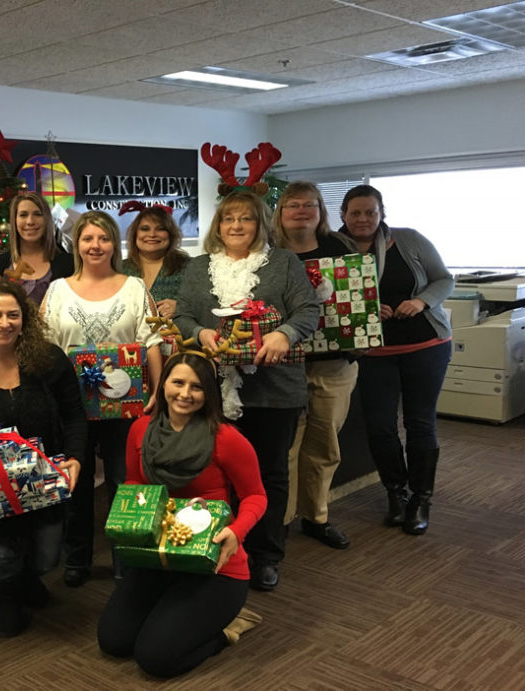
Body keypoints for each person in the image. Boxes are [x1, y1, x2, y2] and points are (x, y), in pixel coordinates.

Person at [174, 191, 319, 592]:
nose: (236, 226)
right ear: (218, 226)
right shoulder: (198, 267)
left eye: (246, 219)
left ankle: (265, 555)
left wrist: (284, 335)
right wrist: (199, 331)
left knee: (269, 475)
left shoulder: (284, 264)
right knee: (214, 472)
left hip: (273, 389)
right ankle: (216, 545)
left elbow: (309, 311)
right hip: (212, 389)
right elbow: (183, 314)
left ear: (260, 224)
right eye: (228, 219)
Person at [97, 353, 267, 678]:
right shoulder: (141, 430)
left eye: (197, 387)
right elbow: (134, 482)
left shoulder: (226, 439)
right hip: (159, 556)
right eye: (178, 383)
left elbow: (256, 496)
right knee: (113, 641)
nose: (185, 394)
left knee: (155, 659)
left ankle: (226, 630)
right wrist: (132, 512)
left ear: (209, 394)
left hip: (215, 564)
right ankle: (175, 612)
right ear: (163, 386)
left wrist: (237, 531)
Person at [0, 279, 84, 636]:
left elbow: (74, 417)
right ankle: (6, 595)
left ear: (25, 319)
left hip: (45, 475)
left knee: (47, 556)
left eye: (12, 314)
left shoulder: (50, 360)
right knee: (4, 554)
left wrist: (76, 459)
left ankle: (25, 578)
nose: (4, 323)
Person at [41, 210, 163, 588]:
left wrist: (158, 390)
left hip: (126, 403)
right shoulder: (57, 289)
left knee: (124, 482)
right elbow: (45, 347)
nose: (95, 246)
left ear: (115, 243)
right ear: (76, 245)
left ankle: (125, 555)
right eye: (87, 239)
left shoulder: (134, 287)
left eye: (103, 238)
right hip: (71, 404)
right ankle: (77, 558)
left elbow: (152, 341)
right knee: (75, 481)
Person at [339, 184, 453, 535]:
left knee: (420, 423)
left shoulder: (409, 240)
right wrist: (366, 308)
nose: (362, 219)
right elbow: (329, 297)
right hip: (372, 352)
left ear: (381, 213)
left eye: (370, 212)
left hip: (426, 345)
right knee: (380, 426)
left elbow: (444, 279)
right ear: (343, 214)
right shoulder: (333, 249)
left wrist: (421, 302)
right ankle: (396, 492)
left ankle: (421, 498)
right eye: (355, 212)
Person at [272, 182, 358, 549]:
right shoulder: (268, 254)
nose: (302, 211)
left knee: (324, 444)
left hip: (333, 365)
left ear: (322, 211)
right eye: (293, 205)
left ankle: (316, 516)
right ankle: (282, 518)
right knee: (285, 446)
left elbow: (358, 300)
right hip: (280, 366)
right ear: (280, 212)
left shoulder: (339, 248)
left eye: (311, 204)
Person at [0, 191, 73, 304]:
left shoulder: (69, 264)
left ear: (47, 220)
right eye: (23, 215)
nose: (30, 221)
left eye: (38, 214)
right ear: (15, 220)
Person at [120, 204, 190, 320]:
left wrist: (181, 308)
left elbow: (207, 308)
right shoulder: (118, 269)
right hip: (128, 338)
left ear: (170, 234)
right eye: (145, 229)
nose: (152, 234)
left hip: (176, 336)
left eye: (160, 229)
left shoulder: (190, 267)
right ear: (135, 234)